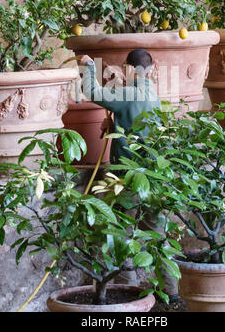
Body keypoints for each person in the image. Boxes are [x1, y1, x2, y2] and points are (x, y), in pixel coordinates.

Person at [77, 49, 179, 302]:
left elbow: (92, 93)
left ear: (131, 70)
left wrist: (88, 65)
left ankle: (129, 292)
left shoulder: (128, 94)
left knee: (122, 234)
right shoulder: (155, 97)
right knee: (157, 235)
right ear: (152, 70)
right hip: (154, 179)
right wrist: (116, 123)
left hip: (128, 178)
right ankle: (172, 293)